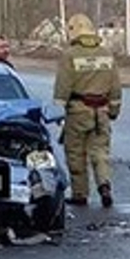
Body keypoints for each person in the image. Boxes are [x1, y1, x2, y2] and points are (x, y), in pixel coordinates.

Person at [52, 14, 122, 208]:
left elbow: (63, 88)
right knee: (100, 152)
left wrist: (57, 112)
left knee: (76, 154)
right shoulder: (107, 53)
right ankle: (104, 185)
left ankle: (80, 194)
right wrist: (114, 110)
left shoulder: (69, 55)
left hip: (78, 112)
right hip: (101, 112)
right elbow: (115, 87)